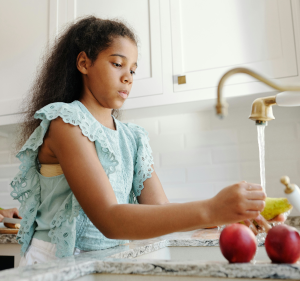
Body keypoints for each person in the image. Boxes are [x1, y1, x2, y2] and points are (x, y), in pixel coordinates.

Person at [9, 15, 282, 267]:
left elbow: (160, 210)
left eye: (133, 69)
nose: (127, 76)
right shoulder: (66, 123)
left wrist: (228, 216)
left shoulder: (133, 138)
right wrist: (211, 209)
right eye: (117, 64)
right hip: (53, 264)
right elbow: (110, 218)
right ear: (84, 63)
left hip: (105, 260)